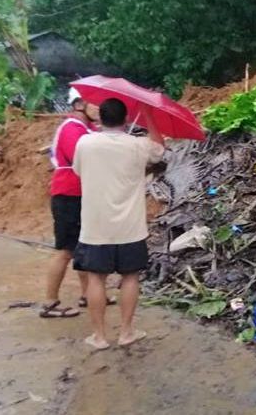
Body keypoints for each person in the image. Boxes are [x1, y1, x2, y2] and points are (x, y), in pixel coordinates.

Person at [72, 98, 164, 349]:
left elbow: (78, 171)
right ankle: (126, 333)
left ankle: (99, 336)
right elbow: (159, 149)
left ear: (100, 118)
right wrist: (148, 114)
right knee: (130, 277)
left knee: (96, 279)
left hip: (96, 226)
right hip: (130, 227)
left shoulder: (85, 143)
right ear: (126, 119)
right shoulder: (138, 145)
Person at [40, 88, 100, 319]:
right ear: (79, 104)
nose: (99, 108)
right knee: (65, 250)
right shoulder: (72, 128)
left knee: (82, 246)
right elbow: (81, 159)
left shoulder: (86, 128)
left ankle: (87, 294)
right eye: (94, 103)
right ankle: (50, 302)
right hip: (69, 194)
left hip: (80, 194)